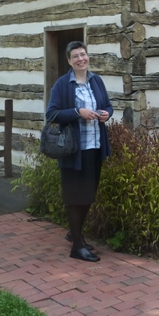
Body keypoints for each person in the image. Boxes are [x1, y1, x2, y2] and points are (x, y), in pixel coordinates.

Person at [46, 41, 112, 262]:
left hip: (94, 147)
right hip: (74, 150)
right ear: (69, 61)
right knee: (75, 196)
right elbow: (52, 114)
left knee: (89, 195)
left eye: (83, 54)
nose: (81, 59)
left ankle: (75, 233)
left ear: (88, 56)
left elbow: (109, 106)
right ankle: (76, 246)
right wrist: (77, 112)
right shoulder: (62, 85)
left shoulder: (97, 81)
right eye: (75, 56)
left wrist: (106, 114)